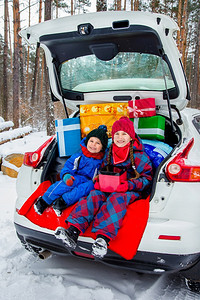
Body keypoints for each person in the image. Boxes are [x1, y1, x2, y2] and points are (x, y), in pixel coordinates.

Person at [54, 117, 153, 258]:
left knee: (116, 199)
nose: (120, 137)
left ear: (131, 137)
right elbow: (101, 168)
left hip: (129, 189)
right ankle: (73, 231)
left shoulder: (139, 156)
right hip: (109, 185)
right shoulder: (109, 152)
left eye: (124, 134)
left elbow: (147, 179)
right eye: (117, 134)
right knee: (94, 195)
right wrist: (99, 179)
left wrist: (129, 185)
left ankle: (103, 239)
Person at [34, 125, 108, 215]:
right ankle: (44, 201)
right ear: (87, 141)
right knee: (65, 185)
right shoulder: (79, 156)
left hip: (90, 181)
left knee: (83, 189)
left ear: (102, 147)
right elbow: (69, 166)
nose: (93, 144)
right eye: (91, 141)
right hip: (76, 176)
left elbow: (105, 171)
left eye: (98, 143)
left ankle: (62, 202)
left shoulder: (103, 160)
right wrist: (66, 175)